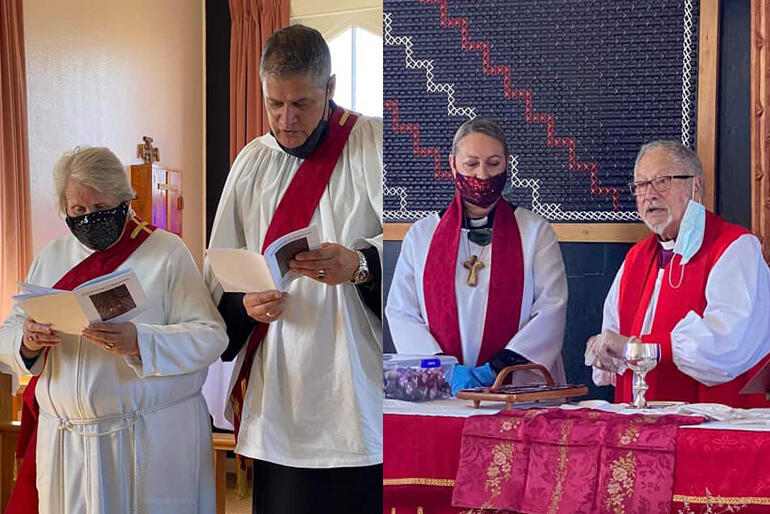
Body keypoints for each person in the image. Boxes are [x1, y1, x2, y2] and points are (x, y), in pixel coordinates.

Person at [204, 25, 382, 513]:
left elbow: (417, 257)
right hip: (280, 388)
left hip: (356, 389)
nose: (286, 120)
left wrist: (362, 265)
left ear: (330, 88)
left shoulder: (372, 145)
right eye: (274, 103)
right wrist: (246, 305)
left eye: (301, 103)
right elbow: (219, 271)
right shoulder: (251, 163)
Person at [0, 147, 228, 513]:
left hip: (146, 440)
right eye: (78, 211)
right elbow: (9, 330)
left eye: (101, 208)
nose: (89, 219)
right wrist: (27, 340)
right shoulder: (51, 256)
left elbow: (211, 335)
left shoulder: (166, 252)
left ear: (125, 200)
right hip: (66, 445)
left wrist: (142, 341)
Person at [386, 117, 568, 394]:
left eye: (493, 164)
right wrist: (443, 369)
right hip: (442, 387)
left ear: (507, 164)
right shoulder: (422, 236)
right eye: (471, 164)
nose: (482, 175)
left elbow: (551, 309)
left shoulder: (534, 232)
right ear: (453, 164)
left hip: (516, 386)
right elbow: (401, 312)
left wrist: (495, 369)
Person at [587, 140, 770, 406]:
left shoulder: (735, 247)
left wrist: (638, 347)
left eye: (662, 181)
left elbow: (728, 342)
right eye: (641, 185)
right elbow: (614, 338)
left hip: (711, 424)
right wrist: (602, 349)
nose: (649, 194)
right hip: (640, 425)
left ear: (695, 186)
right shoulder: (635, 259)